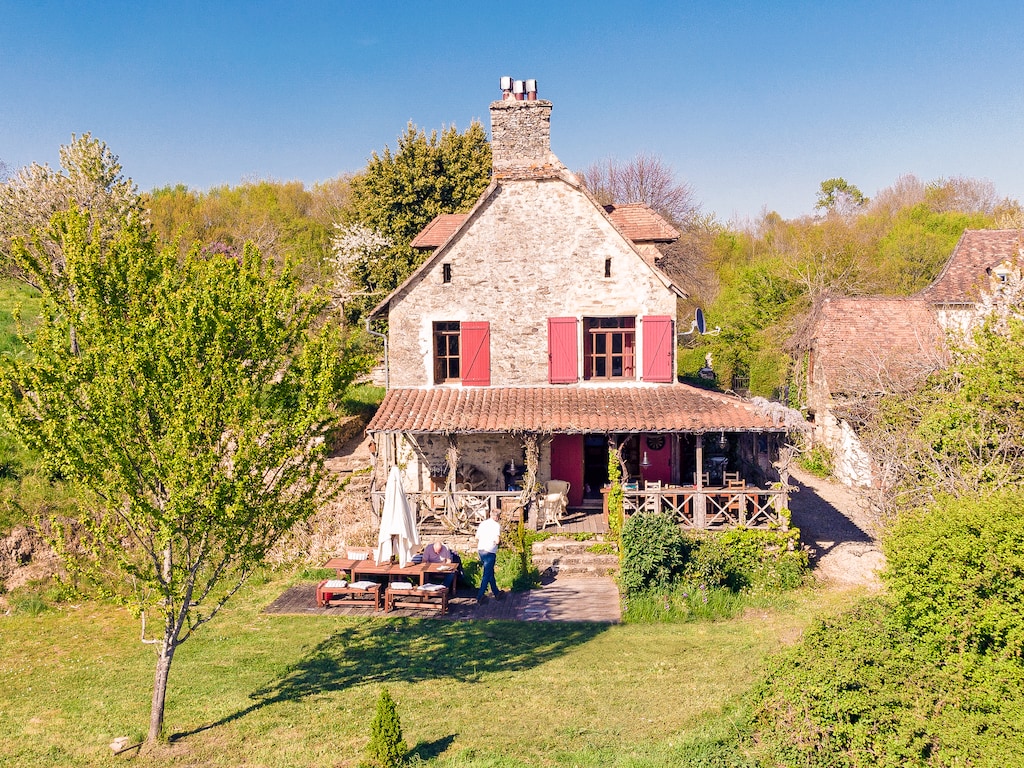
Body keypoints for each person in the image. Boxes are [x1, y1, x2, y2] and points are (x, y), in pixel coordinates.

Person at [475, 508, 504, 604]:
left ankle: (496, 592)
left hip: (481, 550)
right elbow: (497, 540)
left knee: (490, 572)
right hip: (490, 551)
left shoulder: (483, 523)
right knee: (486, 575)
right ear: (497, 516)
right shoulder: (496, 525)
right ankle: (480, 596)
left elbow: (477, 537)